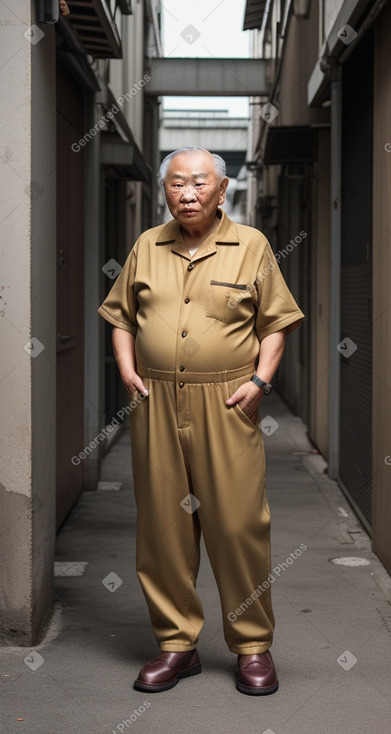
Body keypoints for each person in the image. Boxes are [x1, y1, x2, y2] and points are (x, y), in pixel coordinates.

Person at [98, 146, 304, 695]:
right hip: (158, 400)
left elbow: (276, 321)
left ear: (222, 189)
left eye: (199, 184)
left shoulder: (252, 246)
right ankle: (176, 645)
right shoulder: (147, 245)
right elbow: (120, 316)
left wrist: (260, 382)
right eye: (176, 184)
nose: (187, 194)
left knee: (237, 525)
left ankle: (253, 647)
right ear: (164, 190)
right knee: (163, 529)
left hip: (228, 400)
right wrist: (127, 370)